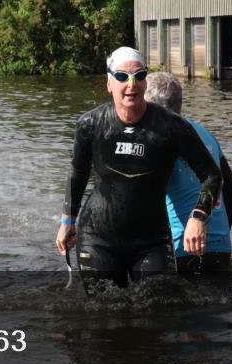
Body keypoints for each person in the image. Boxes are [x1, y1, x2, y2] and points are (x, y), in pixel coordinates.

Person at [54, 47, 222, 290]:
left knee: (157, 311)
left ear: (145, 83)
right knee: (103, 315)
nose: (131, 84)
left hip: (151, 240)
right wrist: (67, 221)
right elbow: (77, 173)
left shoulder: (171, 126)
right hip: (97, 237)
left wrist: (198, 218)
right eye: (122, 77)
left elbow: (211, 174)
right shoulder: (90, 124)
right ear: (109, 83)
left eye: (139, 76)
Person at [144, 72, 232, 274]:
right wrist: (217, 234)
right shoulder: (205, 133)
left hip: (181, 249)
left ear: (150, 107)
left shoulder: (156, 138)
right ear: (180, 104)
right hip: (220, 249)